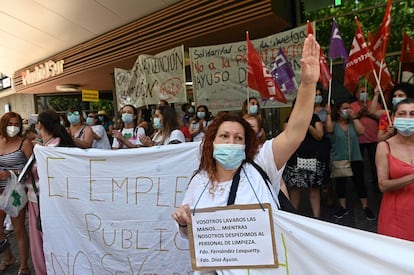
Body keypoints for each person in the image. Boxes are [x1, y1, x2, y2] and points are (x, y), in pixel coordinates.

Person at [172, 34, 320, 274]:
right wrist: (183, 223)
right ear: (212, 142)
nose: (231, 142)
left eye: (238, 138)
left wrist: (308, 85)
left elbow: (295, 133)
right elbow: (191, 233)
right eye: (224, 136)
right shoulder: (198, 181)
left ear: (247, 144)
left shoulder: (261, 164)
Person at [28, 110, 75, 275]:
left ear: (39, 125)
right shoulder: (57, 144)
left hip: (41, 201)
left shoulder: (46, 149)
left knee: (43, 241)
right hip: (55, 201)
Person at [326, 99, 375, 220]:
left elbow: (362, 131)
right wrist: (328, 113)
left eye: (349, 108)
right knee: (340, 183)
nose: (347, 110)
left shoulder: (353, 123)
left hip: (355, 157)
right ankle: (343, 207)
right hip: (339, 158)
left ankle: (365, 207)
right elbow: (329, 129)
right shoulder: (334, 124)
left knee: (359, 182)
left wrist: (355, 118)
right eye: (344, 108)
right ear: (338, 111)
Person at [375, 98, 414, 242]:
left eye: (412, 114)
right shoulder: (384, 146)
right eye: (402, 114)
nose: (408, 118)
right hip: (395, 218)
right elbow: (383, 185)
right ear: (393, 118)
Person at [0, 112, 33, 275]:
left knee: (19, 229)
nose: (13, 127)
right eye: (10, 124)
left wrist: (12, 172)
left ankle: (24, 265)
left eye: (16, 124)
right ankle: (8, 257)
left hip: (15, 192)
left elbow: (33, 169)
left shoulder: (24, 143)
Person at [282, 98, 325, 218]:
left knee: (314, 188)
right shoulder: (289, 119)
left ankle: (317, 218)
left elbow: (319, 135)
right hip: (295, 159)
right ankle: (293, 216)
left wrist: (309, 126)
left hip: (313, 158)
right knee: (295, 189)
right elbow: (287, 136)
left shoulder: (315, 118)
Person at [350, 85, 381, 193]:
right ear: (357, 94)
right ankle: (358, 184)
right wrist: (359, 114)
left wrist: (369, 113)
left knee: (375, 162)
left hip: (374, 138)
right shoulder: (352, 106)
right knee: (357, 163)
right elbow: (350, 119)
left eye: (366, 91)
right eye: (362, 91)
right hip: (358, 140)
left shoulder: (375, 104)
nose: (364, 93)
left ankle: (377, 183)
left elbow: (381, 118)